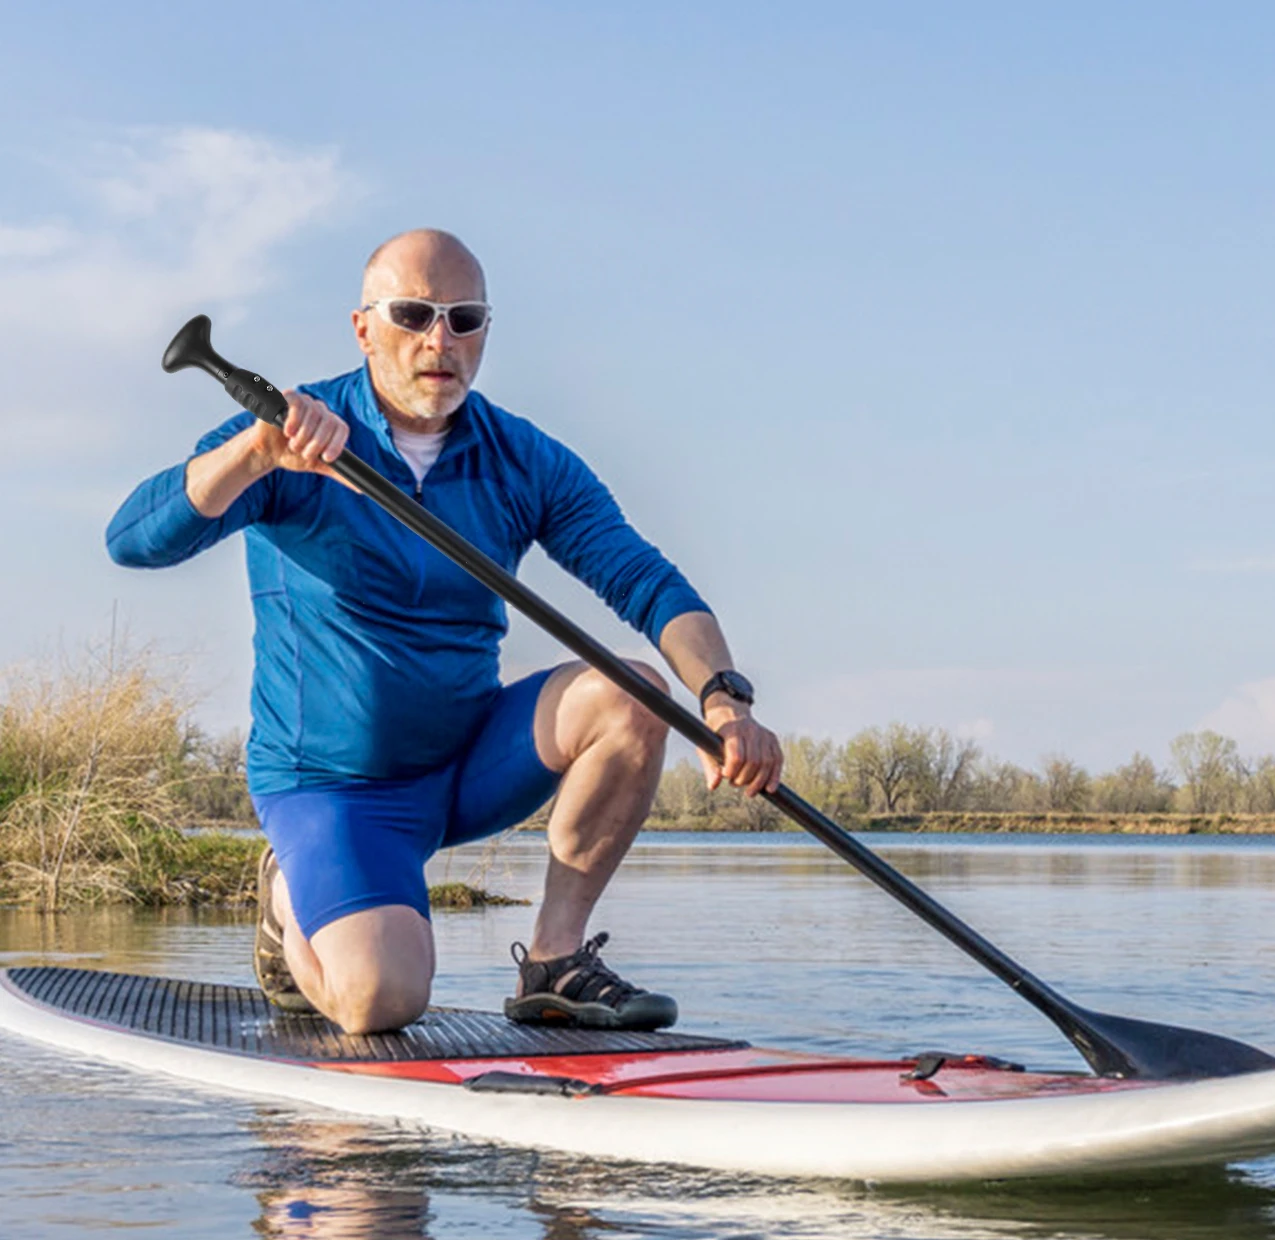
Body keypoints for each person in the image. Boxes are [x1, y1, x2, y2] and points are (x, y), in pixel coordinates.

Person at [108, 229, 782, 1036]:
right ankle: (289, 900)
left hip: (467, 764)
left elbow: (646, 580)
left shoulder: (524, 459)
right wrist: (253, 456)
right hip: (335, 790)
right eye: (413, 314)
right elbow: (134, 541)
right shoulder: (289, 437)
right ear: (363, 328)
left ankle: (554, 961)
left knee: (637, 693)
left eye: (465, 319)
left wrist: (724, 699)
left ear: (485, 331)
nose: (441, 340)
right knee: (381, 1002)